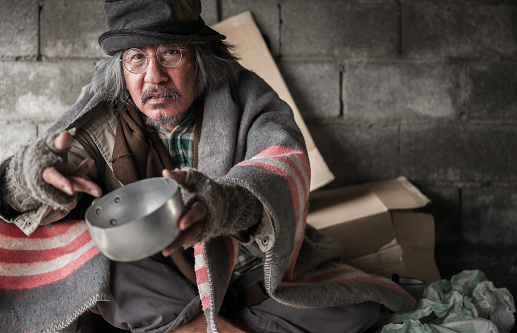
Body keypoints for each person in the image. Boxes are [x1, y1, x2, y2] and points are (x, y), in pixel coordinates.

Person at [0, 0, 415, 332]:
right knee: (101, 265)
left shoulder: (249, 99)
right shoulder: (103, 118)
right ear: (120, 68)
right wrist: (34, 179)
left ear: (199, 58)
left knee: (353, 310)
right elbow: (37, 177)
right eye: (135, 59)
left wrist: (221, 206)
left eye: (171, 53)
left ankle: (185, 326)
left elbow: (282, 167)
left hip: (239, 268)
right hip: (158, 275)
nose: (153, 76)